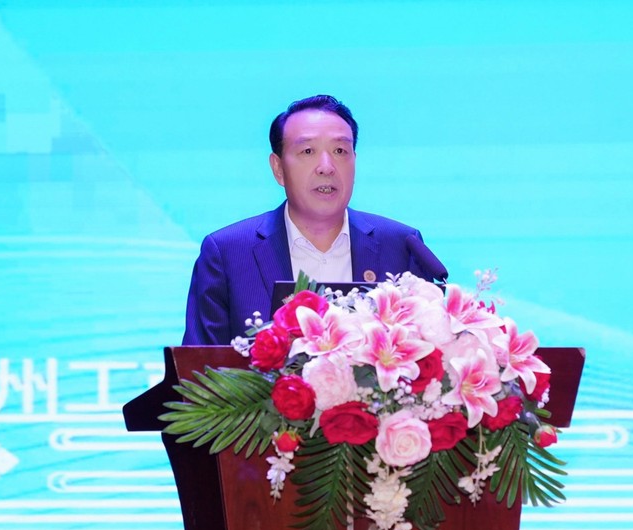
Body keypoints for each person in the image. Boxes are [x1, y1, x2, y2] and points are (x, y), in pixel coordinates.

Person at [182, 94, 442, 345]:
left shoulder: (401, 246)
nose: (326, 167)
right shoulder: (227, 253)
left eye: (340, 150)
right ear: (278, 168)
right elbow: (198, 368)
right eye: (308, 151)